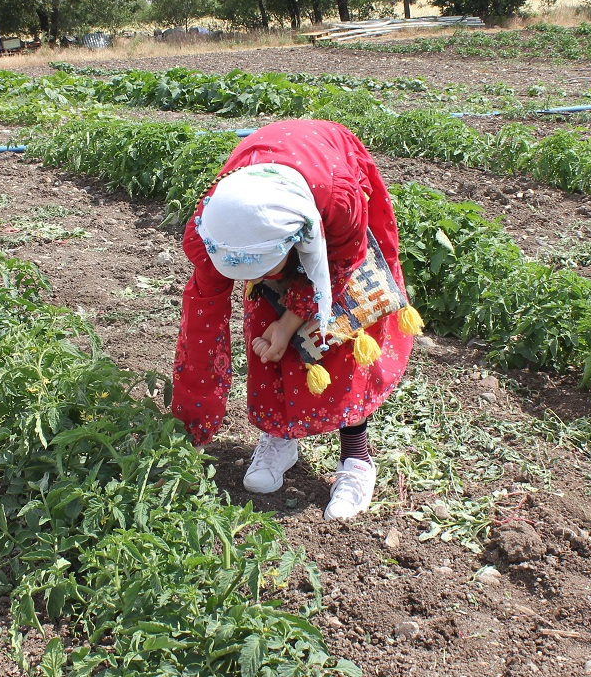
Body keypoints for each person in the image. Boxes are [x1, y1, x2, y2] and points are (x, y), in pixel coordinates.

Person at [171, 120, 422, 521]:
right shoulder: (214, 228)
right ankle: (278, 437)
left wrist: (292, 322)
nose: (259, 280)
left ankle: (357, 457)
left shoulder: (339, 201)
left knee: (339, 328)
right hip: (279, 203)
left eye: (270, 268)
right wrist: (192, 429)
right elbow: (201, 327)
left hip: (328, 186)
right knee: (265, 327)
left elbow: (343, 265)